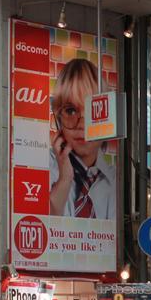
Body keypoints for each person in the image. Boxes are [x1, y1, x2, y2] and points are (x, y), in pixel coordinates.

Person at [49, 58, 117, 219]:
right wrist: (64, 180)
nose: (81, 124)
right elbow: (38, 225)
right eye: (71, 111)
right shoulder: (44, 169)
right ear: (58, 117)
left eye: (93, 112)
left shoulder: (116, 179)